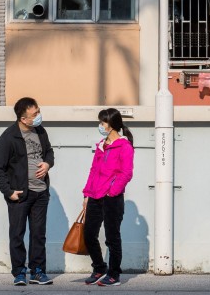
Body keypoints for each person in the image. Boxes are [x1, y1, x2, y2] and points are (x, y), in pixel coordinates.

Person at [0, 97, 55, 286]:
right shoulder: (8, 137)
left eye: (38, 111)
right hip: (19, 195)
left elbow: (49, 152)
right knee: (17, 234)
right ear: (23, 118)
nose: (38, 116)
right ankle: (19, 272)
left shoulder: (41, 131)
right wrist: (8, 192)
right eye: (34, 114)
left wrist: (48, 163)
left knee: (38, 234)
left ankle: (37, 271)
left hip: (41, 192)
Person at [81, 108, 135, 287]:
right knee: (89, 234)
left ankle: (114, 275)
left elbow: (126, 173)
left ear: (111, 125)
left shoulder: (124, 146)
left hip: (112, 198)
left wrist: (112, 191)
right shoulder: (101, 145)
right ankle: (99, 268)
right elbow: (93, 171)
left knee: (112, 237)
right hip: (95, 196)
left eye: (102, 123)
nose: (100, 125)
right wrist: (87, 194)